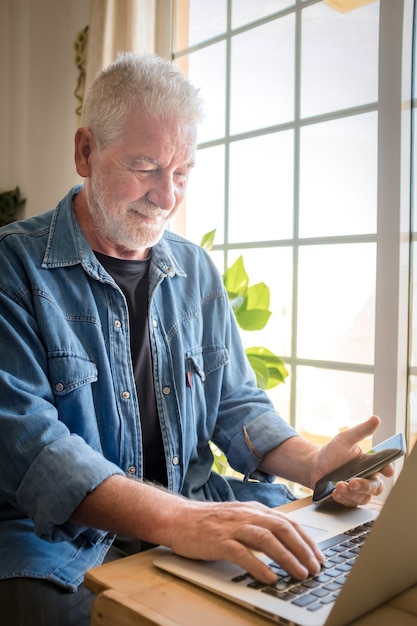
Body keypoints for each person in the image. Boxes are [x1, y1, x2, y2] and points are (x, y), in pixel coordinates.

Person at [0, 52, 392, 626]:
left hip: (196, 511)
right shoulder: (13, 267)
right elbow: (34, 450)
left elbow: (235, 404)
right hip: (60, 543)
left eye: (181, 172)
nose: (167, 196)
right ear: (85, 151)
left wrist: (315, 464)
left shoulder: (197, 271)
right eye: (145, 165)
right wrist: (180, 522)